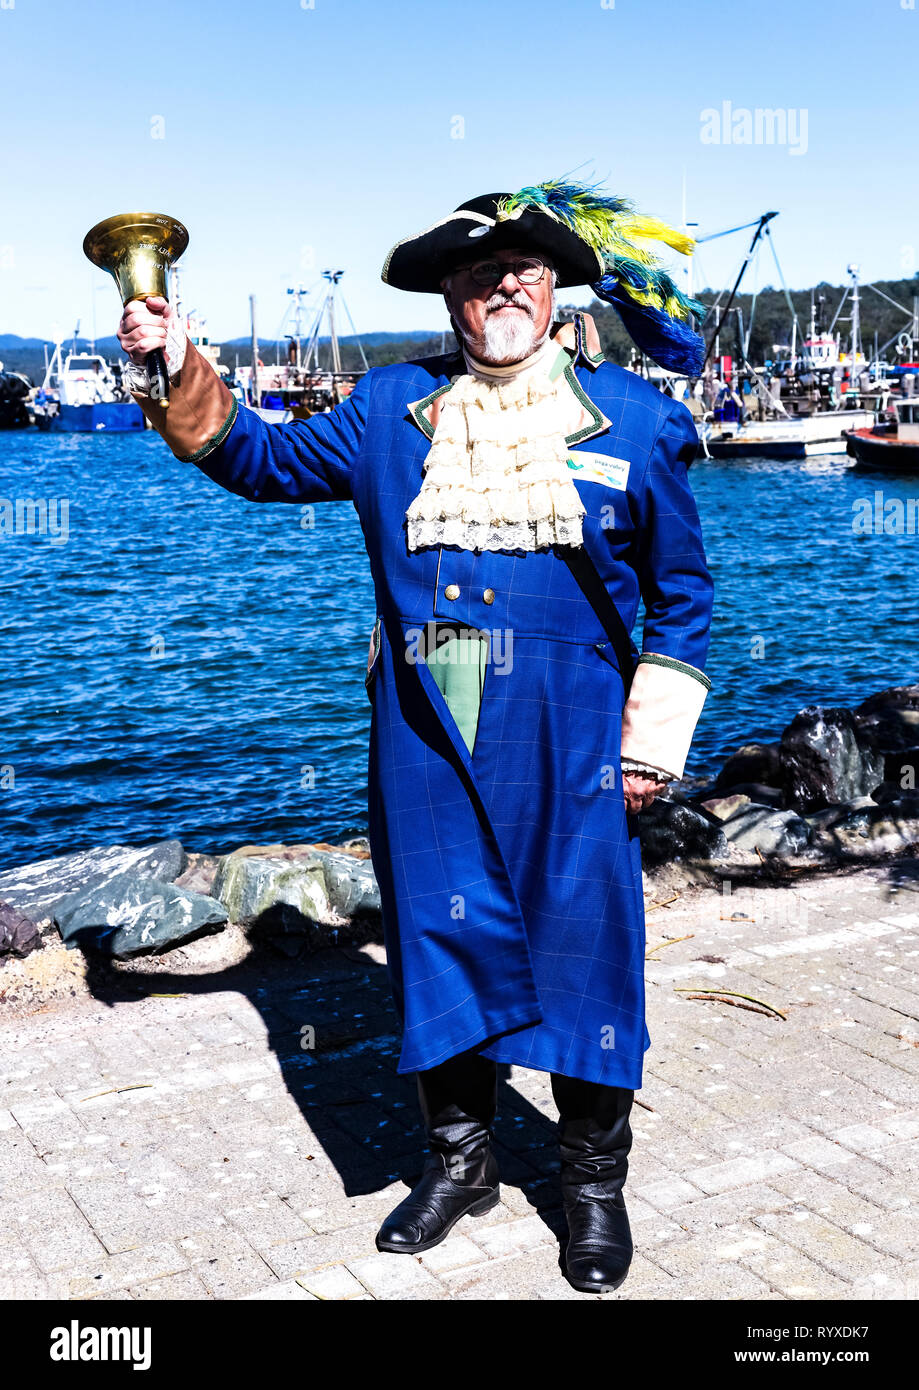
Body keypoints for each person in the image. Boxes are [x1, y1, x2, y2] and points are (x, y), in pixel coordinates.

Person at [117, 178, 715, 1295]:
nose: (501, 287)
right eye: (479, 273)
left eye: (522, 271)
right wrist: (172, 362)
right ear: (449, 291)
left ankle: (590, 1185)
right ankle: (461, 1163)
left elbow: (681, 598)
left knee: (588, 951)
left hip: (574, 725)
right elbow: (259, 460)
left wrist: (651, 743)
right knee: (440, 945)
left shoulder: (633, 418)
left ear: (552, 287)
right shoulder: (387, 409)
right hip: (427, 718)